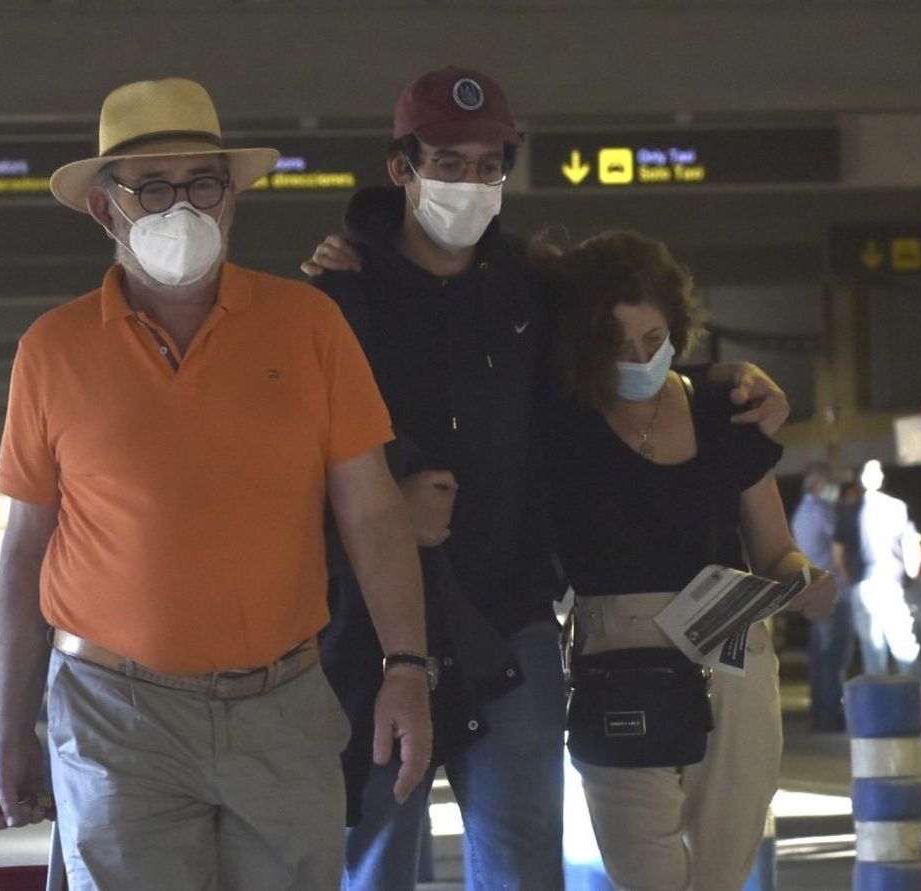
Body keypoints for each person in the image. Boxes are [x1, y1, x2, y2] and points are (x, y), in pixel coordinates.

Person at [301, 66, 794, 891]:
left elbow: (627, 339)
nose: (469, 182)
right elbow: (292, 457)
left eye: (488, 163)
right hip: (374, 631)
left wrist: (729, 381)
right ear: (401, 168)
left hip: (511, 621)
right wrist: (383, 509)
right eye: (447, 163)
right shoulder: (340, 298)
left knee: (525, 865)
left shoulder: (532, 288)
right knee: (376, 856)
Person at [0, 77, 432, 891]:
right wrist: (7, 727)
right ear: (104, 208)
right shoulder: (52, 349)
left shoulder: (309, 326)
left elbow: (372, 510)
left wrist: (408, 665)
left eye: (202, 183)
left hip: (282, 704)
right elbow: (24, 551)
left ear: (231, 197)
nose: (179, 207)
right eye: (152, 186)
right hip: (114, 713)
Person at [535, 230, 836, 891]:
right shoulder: (562, 421)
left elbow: (774, 547)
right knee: (646, 872)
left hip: (731, 655)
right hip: (617, 659)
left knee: (724, 874)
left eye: (653, 339)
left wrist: (803, 582)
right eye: (618, 347)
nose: (639, 359)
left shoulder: (721, 411)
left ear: (677, 327)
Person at [791, 462, 853, 732]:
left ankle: (820, 711)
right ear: (817, 484)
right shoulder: (821, 512)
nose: (833, 488)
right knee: (833, 656)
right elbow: (842, 544)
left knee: (819, 655)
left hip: (814, 589)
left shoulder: (801, 513)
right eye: (829, 482)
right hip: (834, 591)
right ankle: (830, 712)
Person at [852, 459, 921, 678]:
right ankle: (914, 702)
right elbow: (911, 545)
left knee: (872, 649)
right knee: (904, 646)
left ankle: (879, 707)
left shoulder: (850, 510)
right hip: (890, 583)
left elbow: (839, 550)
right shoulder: (896, 507)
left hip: (863, 585)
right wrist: (913, 572)